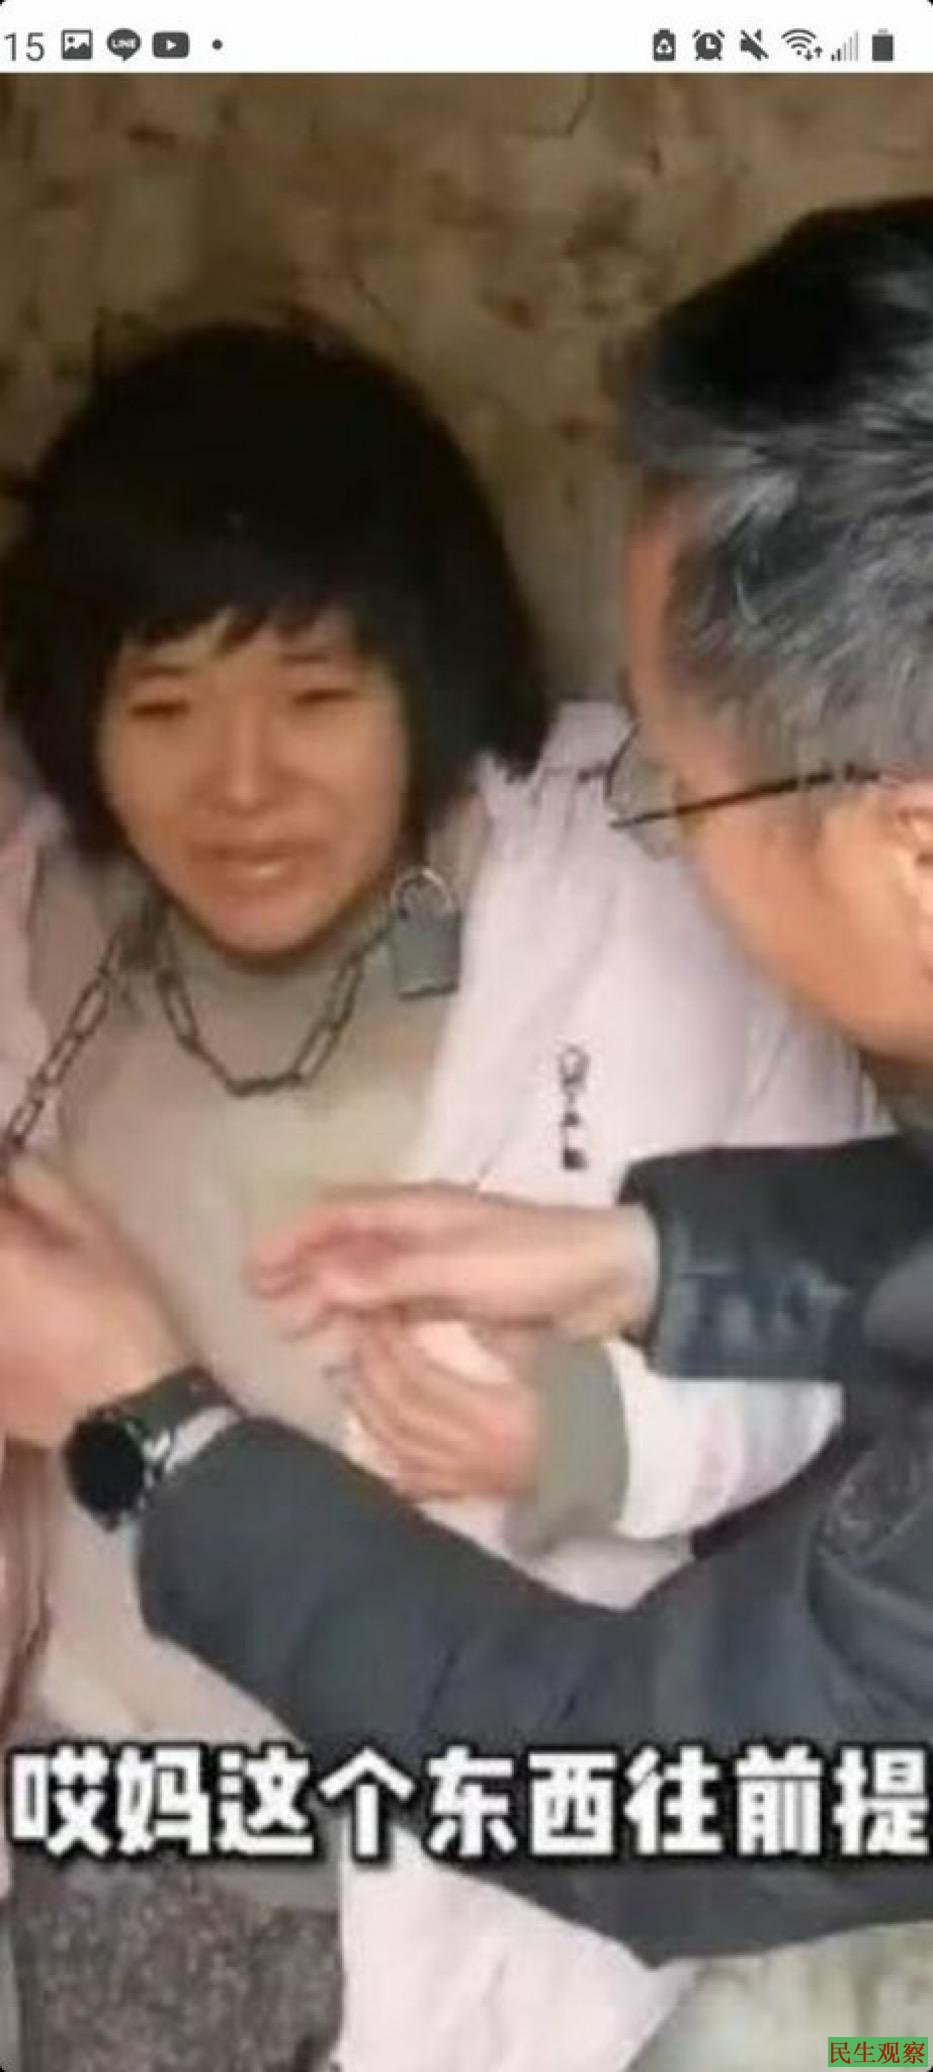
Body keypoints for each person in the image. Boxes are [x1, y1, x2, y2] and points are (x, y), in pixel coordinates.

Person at [0, 316, 870, 2072]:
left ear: (428, 675)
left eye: (317, 698)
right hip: (120, 1805)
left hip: (481, 1805)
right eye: (162, 708)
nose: (241, 785)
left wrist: (589, 1437)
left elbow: (843, 1312)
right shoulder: (32, 923)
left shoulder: (622, 912)